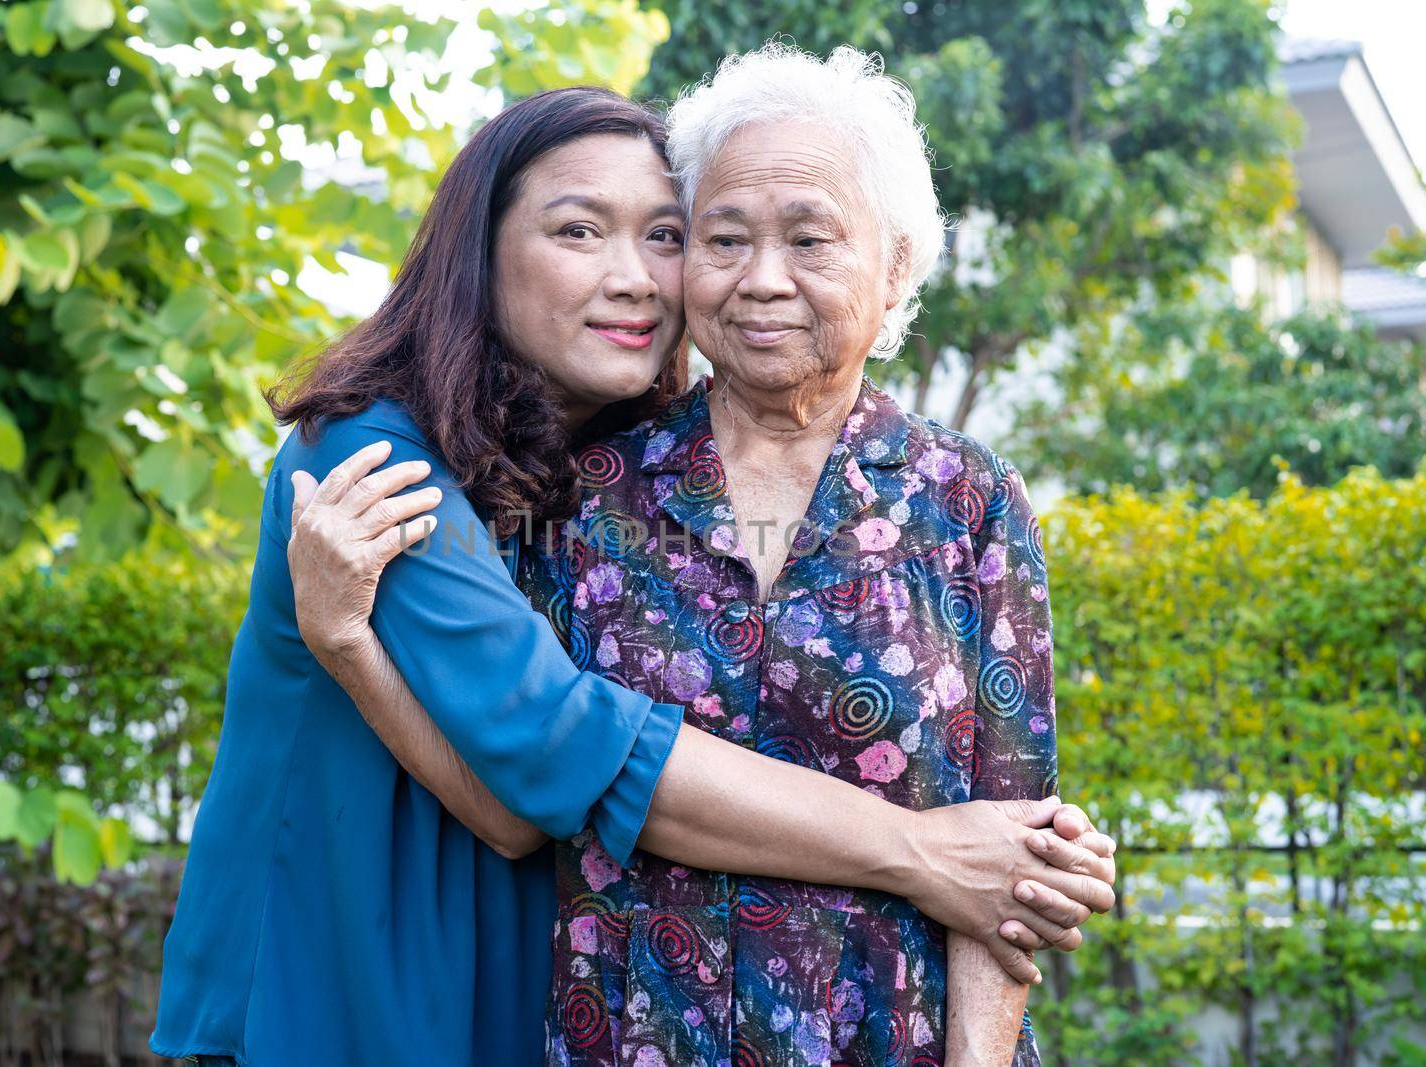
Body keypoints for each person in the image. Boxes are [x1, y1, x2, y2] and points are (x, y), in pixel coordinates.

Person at [155, 82, 1114, 1067]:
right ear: (476, 251)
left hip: (537, 998)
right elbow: (550, 748)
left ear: (893, 264)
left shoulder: (961, 494)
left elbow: (1014, 850)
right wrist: (921, 851)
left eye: (663, 235)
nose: (639, 279)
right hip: (343, 985)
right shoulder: (398, 460)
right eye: (580, 231)